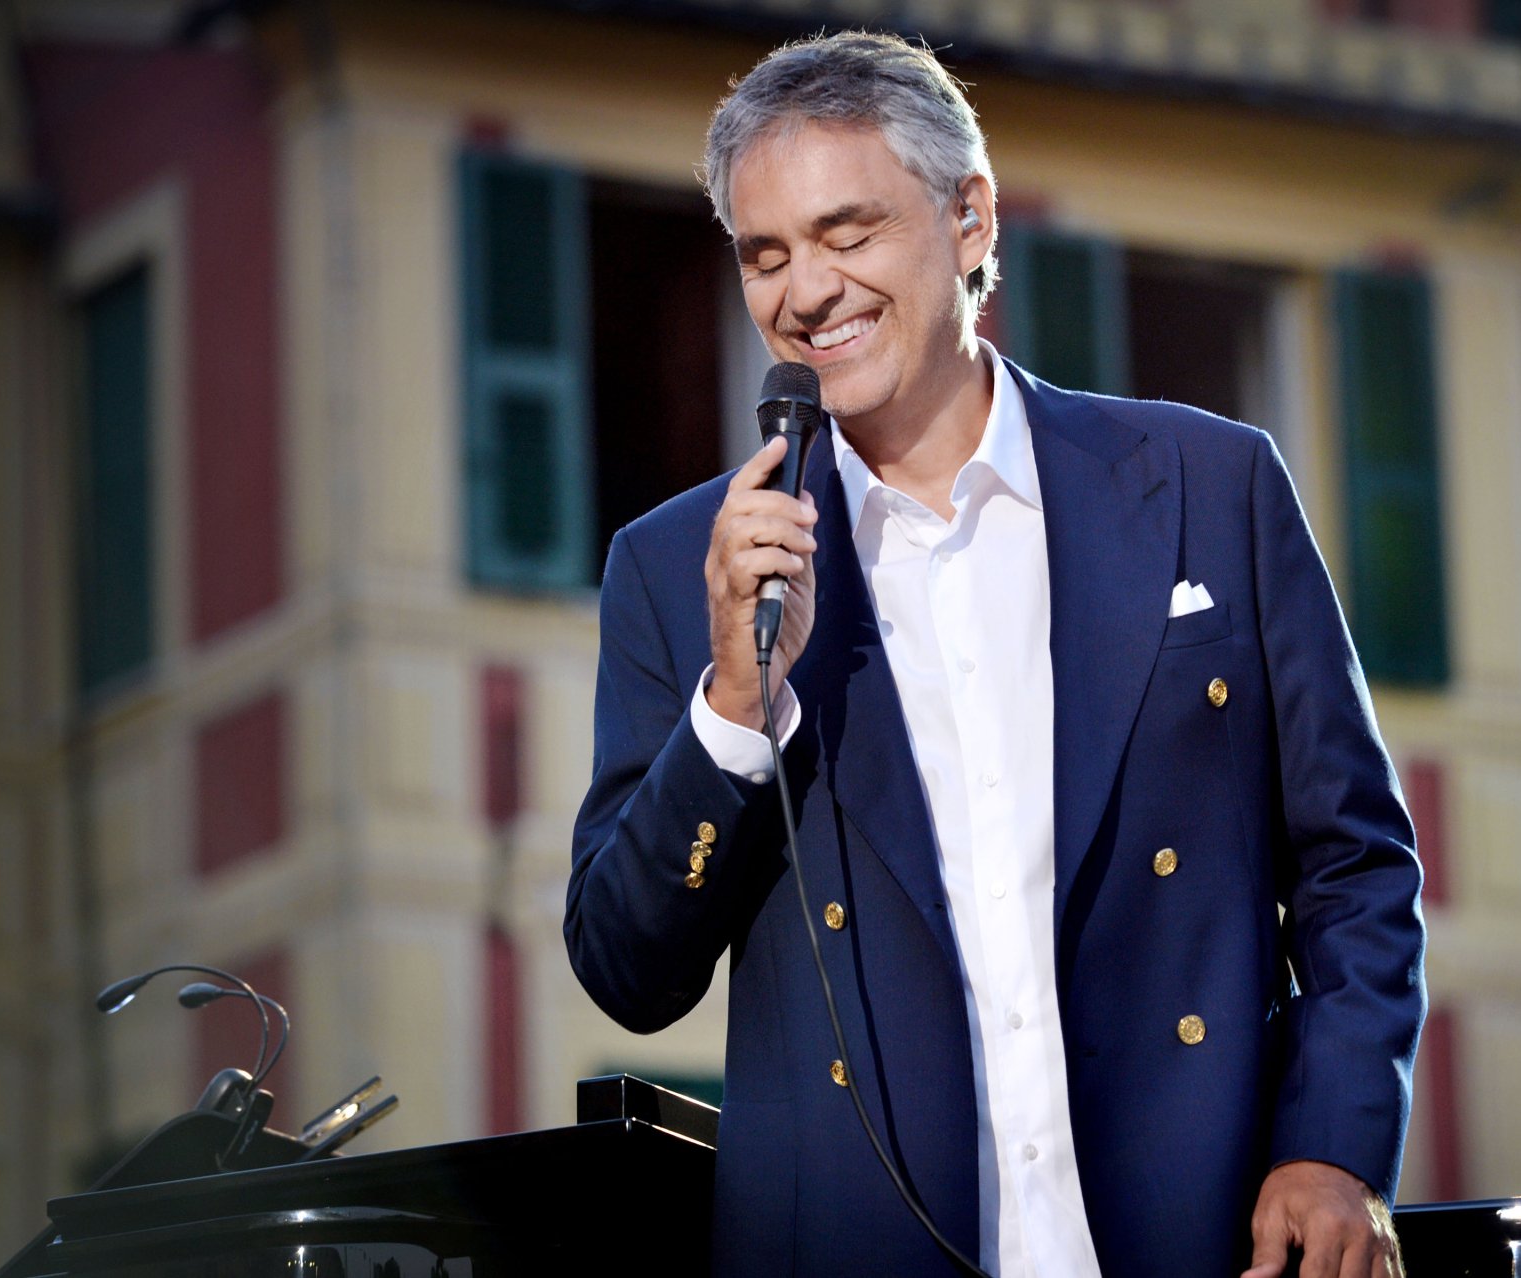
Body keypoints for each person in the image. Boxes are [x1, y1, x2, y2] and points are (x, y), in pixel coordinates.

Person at [565, 30, 1426, 1278]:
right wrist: (736, 711)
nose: (804, 293)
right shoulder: (679, 566)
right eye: (766, 255)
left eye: (847, 233)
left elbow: (1355, 864)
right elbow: (627, 968)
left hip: (1201, 1240)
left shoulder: (1208, 484)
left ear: (970, 218)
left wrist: (1334, 1150)